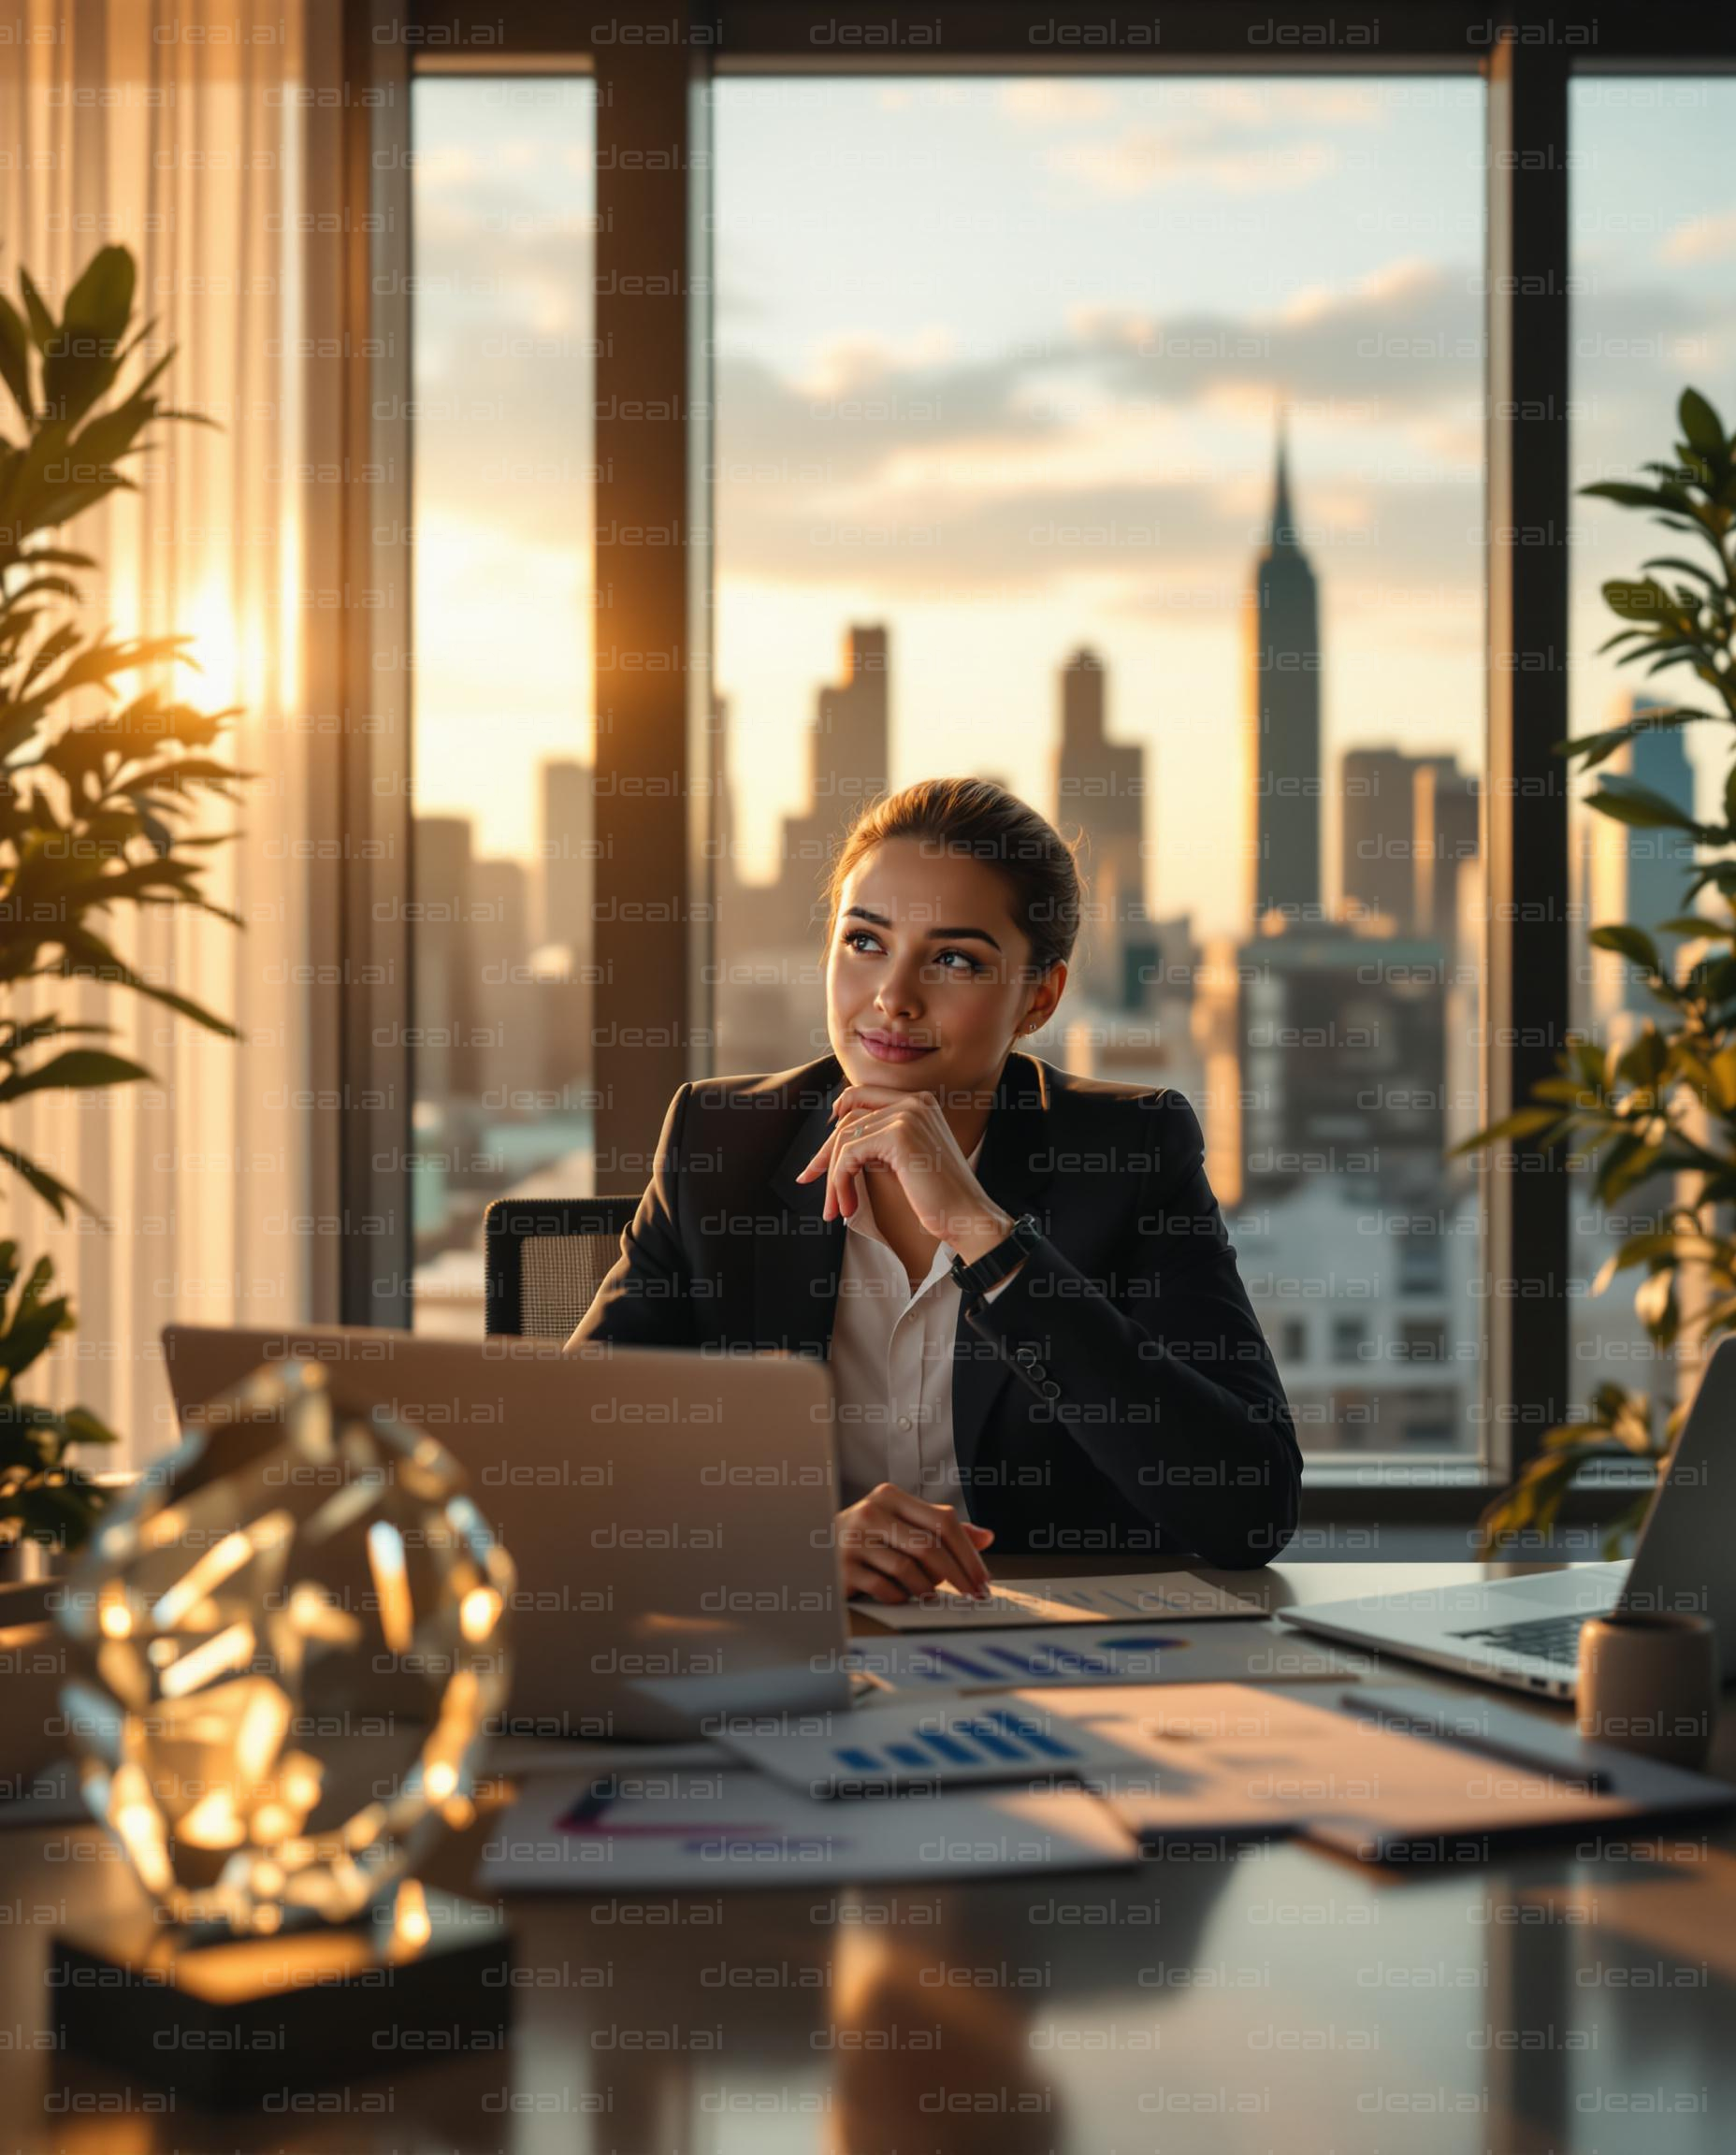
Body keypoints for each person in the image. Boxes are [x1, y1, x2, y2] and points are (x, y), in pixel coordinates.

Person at [567, 776, 1301, 1601]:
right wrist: (789, 1547)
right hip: (797, 1645)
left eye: (954, 959)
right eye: (865, 942)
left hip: (1058, 1663)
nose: (893, 998)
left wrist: (987, 1236)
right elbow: (570, 1469)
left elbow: (1249, 1510)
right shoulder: (721, 1143)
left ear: (1039, 997)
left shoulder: (1128, 1154)